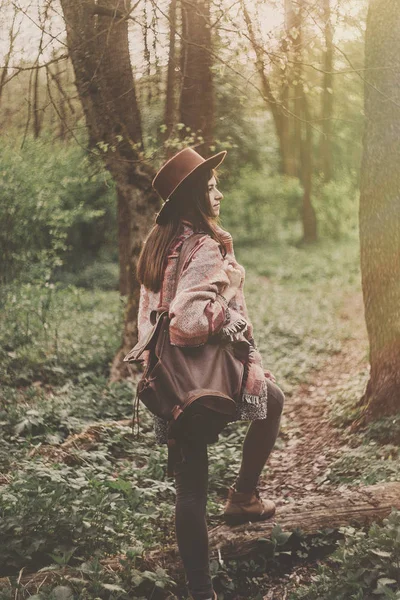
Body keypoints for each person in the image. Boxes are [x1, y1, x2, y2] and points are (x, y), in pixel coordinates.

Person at [135, 147, 285, 600]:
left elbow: (149, 321)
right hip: (202, 373)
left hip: (168, 381)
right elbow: (188, 323)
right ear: (193, 198)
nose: (218, 193)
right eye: (211, 187)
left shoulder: (160, 245)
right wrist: (229, 290)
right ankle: (243, 497)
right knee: (271, 401)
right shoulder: (202, 247)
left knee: (191, 485)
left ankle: (201, 590)